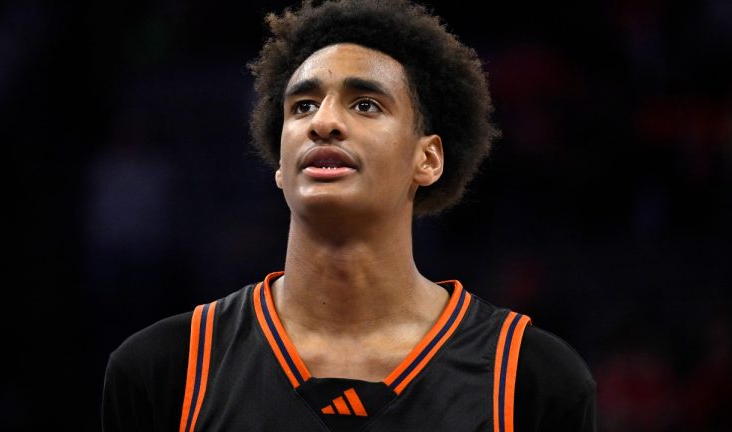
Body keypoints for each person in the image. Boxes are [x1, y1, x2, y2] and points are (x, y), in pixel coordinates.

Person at [102, 0, 597, 431]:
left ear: (427, 159)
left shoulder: (530, 378)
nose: (324, 122)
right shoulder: (167, 368)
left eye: (365, 104)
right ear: (279, 164)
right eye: (302, 106)